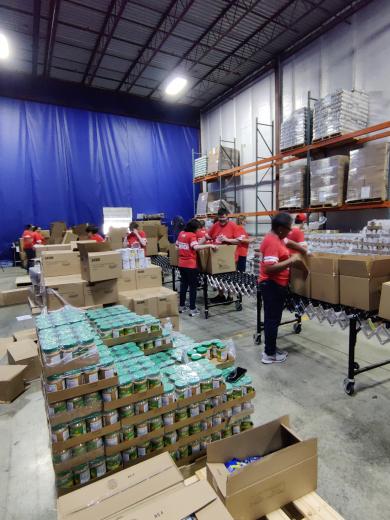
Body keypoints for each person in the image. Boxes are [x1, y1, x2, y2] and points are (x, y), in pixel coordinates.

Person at [259, 212, 306, 365]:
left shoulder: (278, 237)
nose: (290, 232)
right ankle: (269, 354)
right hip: (271, 286)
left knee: (273, 319)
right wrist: (291, 261)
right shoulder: (272, 241)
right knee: (272, 320)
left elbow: (289, 242)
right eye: (288, 229)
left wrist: (304, 250)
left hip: (277, 286)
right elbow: (269, 269)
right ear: (280, 228)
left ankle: (271, 347)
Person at [176, 219, 216, 317]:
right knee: (193, 287)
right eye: (198, 229)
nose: (198, 231)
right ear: (194, 228)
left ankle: (181, 306)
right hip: (190, 265)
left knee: (183, 285)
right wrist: (210, 245)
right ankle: (192, 309)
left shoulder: (181, 233)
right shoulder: (192, 235)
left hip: (181, 264)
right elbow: (195, 247)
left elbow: (177, 246)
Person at [206, 208, 241, 302]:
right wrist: (198, 244)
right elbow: (208, 236)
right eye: (220, 219)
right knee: (218, 277)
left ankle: (230, 296)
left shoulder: (233, 226)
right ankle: (221, 295)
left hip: (230, 257)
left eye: (224, 219)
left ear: (227, 217)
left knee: (230, 278)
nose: (222, 222)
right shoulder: (215, 225)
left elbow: (238, 241)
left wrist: (227, 240)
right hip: (218, 256)